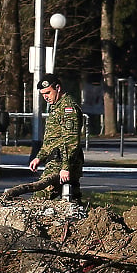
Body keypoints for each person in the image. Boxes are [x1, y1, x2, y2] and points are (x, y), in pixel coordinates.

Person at [29, 74, 84, 202]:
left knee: (39, 200)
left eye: (48, 93)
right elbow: (52, 138)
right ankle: (83, 220)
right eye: (43, 94)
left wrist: (66, 167)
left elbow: (71, 141)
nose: (45, 97)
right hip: (58, 159)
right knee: (72, 200)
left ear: (58, 88)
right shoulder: (57, 106)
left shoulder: (67, 108)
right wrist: (39, 157)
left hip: (61, 162)